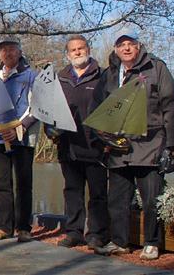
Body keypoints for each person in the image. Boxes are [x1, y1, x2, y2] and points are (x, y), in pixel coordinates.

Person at [93, 31, 174, 260]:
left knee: (151, 198)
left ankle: (152, 243)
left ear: (138, 46)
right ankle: (120, 241)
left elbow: (172, 106)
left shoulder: (156, 68)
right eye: (121, 45)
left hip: (150, 144)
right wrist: (101, 138)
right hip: (118, 147)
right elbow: (98, 110)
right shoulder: (109, 75)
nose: (126, 48)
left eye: (130, 44)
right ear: (115, 49)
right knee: (117, 199)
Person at [0, 36, 39, 243]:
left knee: (23, 183)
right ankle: (5, 226)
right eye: (3, 50)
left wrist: (19, 128)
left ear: (19, 52)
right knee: (2, 184)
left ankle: (23, 228)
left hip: (22, 138)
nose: (7, 53)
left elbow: (36, 107)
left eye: (12, 49)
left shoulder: (31, 76)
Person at [52, 35, 108, 250]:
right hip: (67, 145)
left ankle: (97, 234)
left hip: (95, 145)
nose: (77, 52)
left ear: (88, 49)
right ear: (67, 54)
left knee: (97, 193)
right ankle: (74, 232)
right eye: (73, 50)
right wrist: (51, 130)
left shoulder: (103, 76)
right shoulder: (60, 78)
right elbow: (50, 110)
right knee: (72, 191)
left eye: (81, 48)